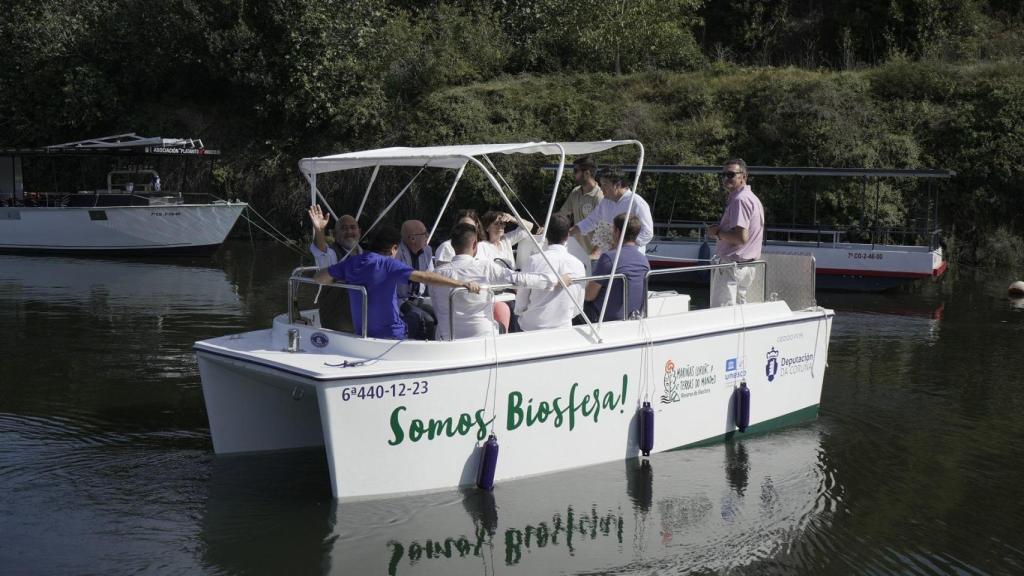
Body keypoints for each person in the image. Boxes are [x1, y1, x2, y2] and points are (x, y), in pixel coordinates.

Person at [314, 226, 480, 340]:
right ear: (394, 248)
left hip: (363, 332)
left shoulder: (352, 262)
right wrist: (460, 283)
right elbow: (424, 277)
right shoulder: (389, 264)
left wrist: (339, 278)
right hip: (392, 334)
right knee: (423, 320)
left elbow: (319, 278)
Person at [433, 223, 570, 340]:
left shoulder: (436, 274)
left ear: (452, 245)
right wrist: (555, 280)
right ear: (475, 244)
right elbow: (520, 279)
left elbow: (436, 306)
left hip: (446, 337)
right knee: (502, 325)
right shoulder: (485, 267)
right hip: (481, 335)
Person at [707, 158, 764, 307]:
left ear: (743, 176)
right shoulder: (752, 199)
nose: (726, 178)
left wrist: (717, 232)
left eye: (731, 174)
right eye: (724, 174)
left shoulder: (740, 200)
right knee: (739, 315)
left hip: (732, 269)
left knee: (722, 315)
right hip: (746, 267)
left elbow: (741, 237)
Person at [515, 214, 586, 331]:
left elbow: (521, 300)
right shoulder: (578, 265)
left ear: (546, 234)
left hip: (531, 327)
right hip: (564, 328)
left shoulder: (533, 261)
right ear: (568, 235)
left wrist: (521, 312)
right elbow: (577, 307)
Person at [570, 168, 653, 255]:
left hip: (629, 257)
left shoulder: (637, 203)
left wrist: (622, 244)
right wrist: (569, 232)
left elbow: (647, 233)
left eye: (604, 184)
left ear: (617, 185)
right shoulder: (605, 202)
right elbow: (591, 221)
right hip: (608, 256)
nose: (601, 188)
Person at [584, 214, 650, 322]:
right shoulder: (644, 260)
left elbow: (589, 296)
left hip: (604, 318)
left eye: (612, 229)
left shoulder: (608, 258)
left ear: (617, 232)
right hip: (634, 316)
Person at [308, 205, 363, 331]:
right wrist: (319, 230)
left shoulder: (366, 254)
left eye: (352, 227)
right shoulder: (333, 254)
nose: (349, 232)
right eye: (343, 229)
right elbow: (322, 252)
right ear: (334, 234)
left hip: (362, 321)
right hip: (338, 324)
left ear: (360, 231)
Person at [397, 219, 437, 338]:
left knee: (441, 312)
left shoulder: (427, 251)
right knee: (426, 319)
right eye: (424, 234)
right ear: (412, 239)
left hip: (418, 297)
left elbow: (431, 277)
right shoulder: (397, 253)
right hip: (400, 299)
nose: (427, 236)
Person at [557, 156, 604, 258]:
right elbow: (562, 214)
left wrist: (595, 254)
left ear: (586, 173)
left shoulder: (600, 197)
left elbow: (604, 229)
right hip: (576, 251)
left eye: (575, 171)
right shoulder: (575, 192)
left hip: (593, 255)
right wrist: (548, 225)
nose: (573, 174)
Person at [434, 209, 501, 265]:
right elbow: (442, 274)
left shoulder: (484, 246)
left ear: (477, 226)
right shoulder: (446, 247)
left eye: (470, 226)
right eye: (462, 226)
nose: (466, 229)